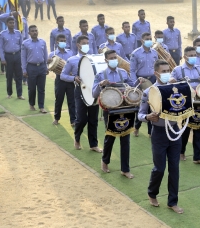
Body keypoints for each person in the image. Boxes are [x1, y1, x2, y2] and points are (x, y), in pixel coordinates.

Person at [139, 59, 184, 214]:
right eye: (163, 71)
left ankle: (173, 201)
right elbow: (140, 114)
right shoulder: (148, 92)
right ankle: (152, 193)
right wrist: (148, 117)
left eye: (168, 71)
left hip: (174, 131)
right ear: (156, 73)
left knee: (174, 168)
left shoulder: (175, 88)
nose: (167, 74)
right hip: (158, 134)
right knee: (159, 168)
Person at [92, 50, 136, 178]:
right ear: (106, 60)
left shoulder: (123, 73)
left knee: (125, 139)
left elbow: (132, 88)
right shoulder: (101, 75)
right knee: (110, 137)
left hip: (125, 109)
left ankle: (125, 169)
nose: (114, 60)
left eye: (115, 57)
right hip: (110, 111)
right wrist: (100, 85)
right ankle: (105, 161)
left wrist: (137, 82)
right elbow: (94, 94)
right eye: (111, 58)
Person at [171, 46, 200, 166]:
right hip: (186, 103)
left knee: (199, 129)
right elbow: (171, 83)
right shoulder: (178, 69)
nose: (193, 57)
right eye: (191, 55)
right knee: (186, 128)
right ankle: (181, 152)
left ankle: (197, 156)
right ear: (185, 57)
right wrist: (172, 81)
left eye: (194, 55)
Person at [62, 35, 102, 152]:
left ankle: (93, 144)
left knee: (93, 119)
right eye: (83, 43)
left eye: (87, 43)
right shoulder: (72, 60)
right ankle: (77, 138)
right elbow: (63, 75)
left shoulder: (93, 58)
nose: (86, 45)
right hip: (79, 91)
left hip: (93, 91)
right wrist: (74, 78)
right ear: (78, 45)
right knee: (81, 119)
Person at [130, 32, 159, 136]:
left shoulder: (155, 53)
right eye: (147, 39)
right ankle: (137, 126)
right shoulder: (135, 53)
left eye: (150, 38)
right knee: (142, 105)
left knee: (152, 105)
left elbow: (157, 68)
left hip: (152, 80)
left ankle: (151, 132)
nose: (149, 40)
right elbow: (132, 70)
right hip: (141, 80)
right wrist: (135, 83)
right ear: (142, 40)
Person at [21, 25, 49, 113]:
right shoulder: (25, 43)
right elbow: (23, 57)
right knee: (32, 88)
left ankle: (41, 106)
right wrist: (24, 70)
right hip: (31, 67)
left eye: (36, 31)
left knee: (41, 88)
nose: (34, 32)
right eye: (32, 31)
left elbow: (45, 55)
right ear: (29, 33)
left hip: (41, 67)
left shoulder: (43, 42)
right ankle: (31, 104)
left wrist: (46, 67)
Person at [49, 34, 75, 126]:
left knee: (72, 100)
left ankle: (73, 120)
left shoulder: (70, 53)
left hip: (70, 79)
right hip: (59, 80)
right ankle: (56, 118)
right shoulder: (53, 54)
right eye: (61, 41)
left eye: (64, 41)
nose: (63, 42)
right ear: (57, 42)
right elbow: (49, 67)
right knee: (59, 99)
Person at [0, 17, 25, 99]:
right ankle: (9, 93)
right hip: (8, 56)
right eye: (10, 23)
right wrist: (2, 59)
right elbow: (0, 47)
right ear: (7, 23)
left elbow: (22, 46)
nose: (12, 24)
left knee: (19, 75)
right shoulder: (2, 34)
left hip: (17, 55)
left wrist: (22, 57)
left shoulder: (18, 33)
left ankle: (19, 94)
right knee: (9, 75)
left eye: (13, 23)